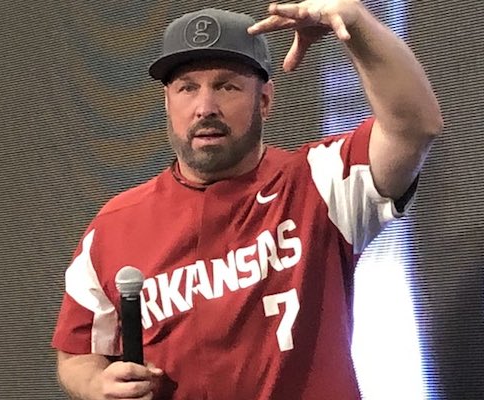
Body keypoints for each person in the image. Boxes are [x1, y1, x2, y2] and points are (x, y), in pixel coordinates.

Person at [52, 1, 442, 399]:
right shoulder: (115, 225)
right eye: (187, 88)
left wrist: (356, 23)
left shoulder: (319, 182)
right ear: (168, 103)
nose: (205, 108)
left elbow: (414, 126)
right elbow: (77, 355)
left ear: (265, 100)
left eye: (227, 86)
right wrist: (97, 384)